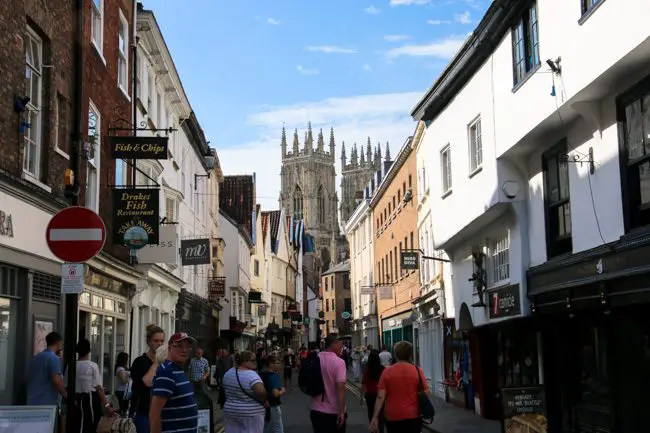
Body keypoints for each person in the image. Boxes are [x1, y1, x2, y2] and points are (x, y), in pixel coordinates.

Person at [370, 341, 429, 433]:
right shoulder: (418, 371)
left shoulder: (387, 372)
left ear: (396, 354)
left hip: (393, 416)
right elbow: (426, 392)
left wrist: (375, 417)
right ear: (410, 354)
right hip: (413, 416)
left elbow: (380, 397)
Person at [150, 332, 198, 433]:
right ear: (170, 348)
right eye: (179, 346)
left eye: (187, 347)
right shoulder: (167, 372)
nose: (184, 350)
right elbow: (154, 413)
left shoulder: (178, 370)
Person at [130, 324, 165, 433]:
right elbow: (148, 382)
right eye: (156, 341)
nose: (159, 344)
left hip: (160, 413)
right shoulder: (140, 362)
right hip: (143, 413)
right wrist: (156, 362)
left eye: (162, 341)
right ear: (149, 342)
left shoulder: (165, 363)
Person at [74, 338, 114, 433]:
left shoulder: (72, 365)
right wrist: (107, 406)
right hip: (90, 400)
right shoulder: (92, 366)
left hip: (75, 399)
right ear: (89, 350)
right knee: (90, 426)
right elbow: (99, 388)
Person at [222, 350, 267, 433]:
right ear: (245, 361)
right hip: (250, 414)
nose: (255, 363)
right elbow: (261, 392)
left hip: (231, 411)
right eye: (253, 360)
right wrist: (264, 400)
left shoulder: (228, 373)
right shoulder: (251, 374)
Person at [310, 337, 347, 433]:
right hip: (333, 412)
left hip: (316, 410)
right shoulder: (339, 362)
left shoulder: (316, 358)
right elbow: (341, 389)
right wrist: (342, 412)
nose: (342, 347)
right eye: (340, 344)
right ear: (333, 344)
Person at [27, 331, 67, 406]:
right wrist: (65, 394)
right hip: (46, 402)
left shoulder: (35, 358)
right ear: (58, 343)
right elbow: (56, 380)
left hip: (32, 400)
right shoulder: (54, 359)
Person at [259, 355, 286, 433]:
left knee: (265, 425)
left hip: (263, 404)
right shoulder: (273, 375)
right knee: (278, 427)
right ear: (271, 364)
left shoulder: (262, 374)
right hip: (273, 405)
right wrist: (282, 391)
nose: (279, 364)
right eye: (277, 363)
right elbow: (275, 393)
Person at [361, 350, 385, 433]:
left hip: (370, 395)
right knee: (380, 414)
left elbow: (363, 383)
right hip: (380, 394)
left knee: (371, 413)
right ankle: (381, 429)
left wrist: (362, 396)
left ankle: (373, 430)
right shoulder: (382, 369)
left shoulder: (367, 369)